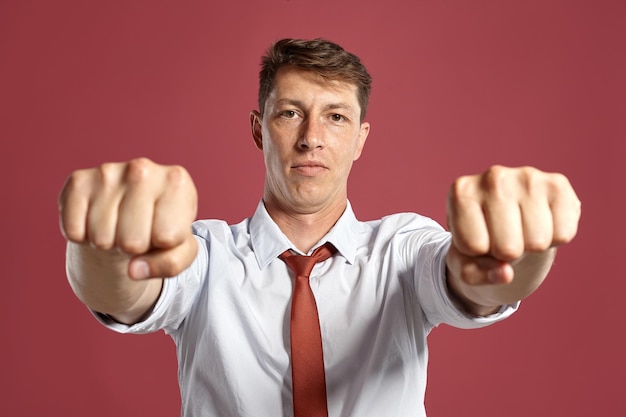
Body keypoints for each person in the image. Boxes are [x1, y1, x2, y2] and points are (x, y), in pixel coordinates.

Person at [58, 38, 581, 417]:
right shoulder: (205, 253)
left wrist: (518, 251)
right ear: (259, 131)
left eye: (336, 117)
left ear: (360, 139)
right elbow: (126, 291)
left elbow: (476, 281)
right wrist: (103, 249)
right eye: (290, 114)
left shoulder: (401, 249)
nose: (312, 138)